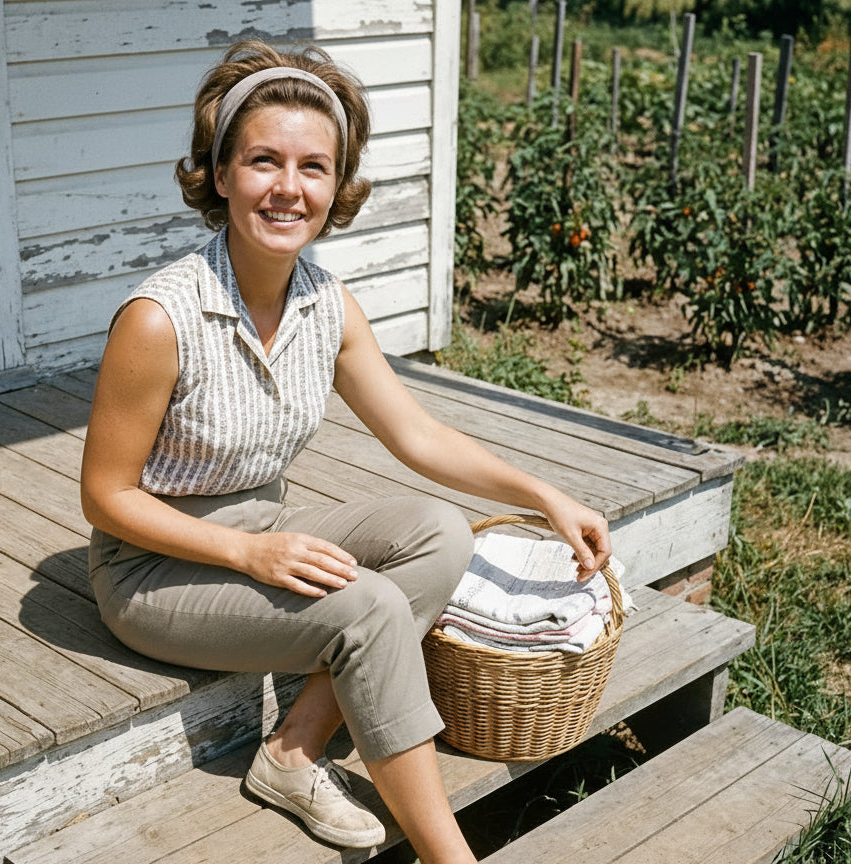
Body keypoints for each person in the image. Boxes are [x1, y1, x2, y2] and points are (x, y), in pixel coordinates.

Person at [80, 40, 612, 864]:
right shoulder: (160, 319)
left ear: (337, 186)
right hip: (153, 566)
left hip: (261, 526)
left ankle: (293, 754)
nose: (289, 188)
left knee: (440, 532)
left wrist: (547, 496)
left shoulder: (326, 302)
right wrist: (246, 552)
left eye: (313, 167)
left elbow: (417, 436)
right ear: (220, 175)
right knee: (366, 610)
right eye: (263, 161)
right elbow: (106, 497)